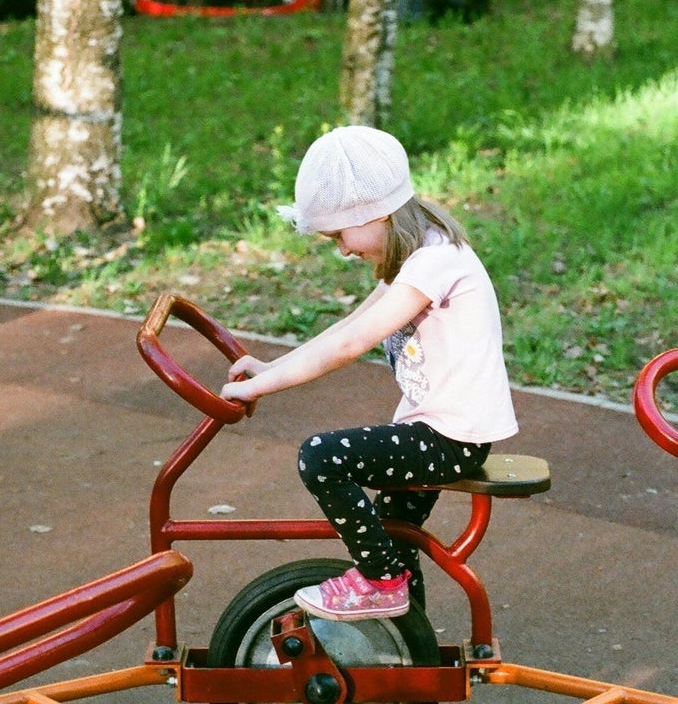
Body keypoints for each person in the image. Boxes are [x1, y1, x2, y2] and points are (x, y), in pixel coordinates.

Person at [219, 126, 518, 622]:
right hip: (436, 431)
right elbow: (350, 326)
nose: (340, 249)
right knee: (395, 539)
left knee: (323, 458)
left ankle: (380, 583)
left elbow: (351, 346)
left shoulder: (434, 262)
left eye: (339, 234)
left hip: (450, 438)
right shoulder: (422, 253)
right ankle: (405, 643)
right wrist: (270, 367)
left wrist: (258, 388)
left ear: (375, 214)